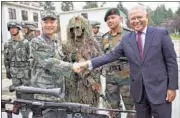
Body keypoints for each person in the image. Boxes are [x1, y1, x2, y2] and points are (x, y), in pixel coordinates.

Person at [74, 5, 178, 118]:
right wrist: (87, 64)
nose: (136, 21)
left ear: (147, 16)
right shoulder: (127, 39)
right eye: (133, 19)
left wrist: (172, 87)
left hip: (159, 90)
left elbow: (171, 61)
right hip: (139, 93)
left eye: (139, 17)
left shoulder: (160, 33)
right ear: (129, 21)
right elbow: (110, 56)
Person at [29, 10, 76, 118]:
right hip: (44, 95)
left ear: (57, 23)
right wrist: (72, 67)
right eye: (46, 22)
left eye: (52, 22)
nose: (49, 25)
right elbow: (49, 62)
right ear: (41, 24)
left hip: (59, 93)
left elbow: (61, 58)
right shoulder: (36, 42)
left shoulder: (56, 40)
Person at [98, 8, 135, 118]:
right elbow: (103, 57)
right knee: (113, 109)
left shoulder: (129, 34)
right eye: (108, 19)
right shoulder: (104, 38)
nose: (110, 21)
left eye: (113, 17)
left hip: (126, 76)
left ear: (120, 18)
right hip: (110, 79)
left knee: (132, 108)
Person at [62, 15, 101, 108]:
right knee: (74, 109)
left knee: (90, 109)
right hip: (73, 83)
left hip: (89, 85)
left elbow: (99, 61)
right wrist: (72, 56)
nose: (76, 30)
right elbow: (63, 63)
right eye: (73, 28)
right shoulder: (66, 45)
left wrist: (94, 81)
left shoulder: (93, 44)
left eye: (79, 27)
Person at [4, 21, 32, 118]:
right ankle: (21, 106)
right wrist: (8, 71)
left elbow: (31, 57)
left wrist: (31, 71)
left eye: (14, 28)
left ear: (18, 29)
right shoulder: (7, 43)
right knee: (18, 91)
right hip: (14, 72)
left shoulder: (25, 43)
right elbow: (6, 59)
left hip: (25, 71)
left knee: (27, 91)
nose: (12, 29)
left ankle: (27, 108)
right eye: (11, 28)